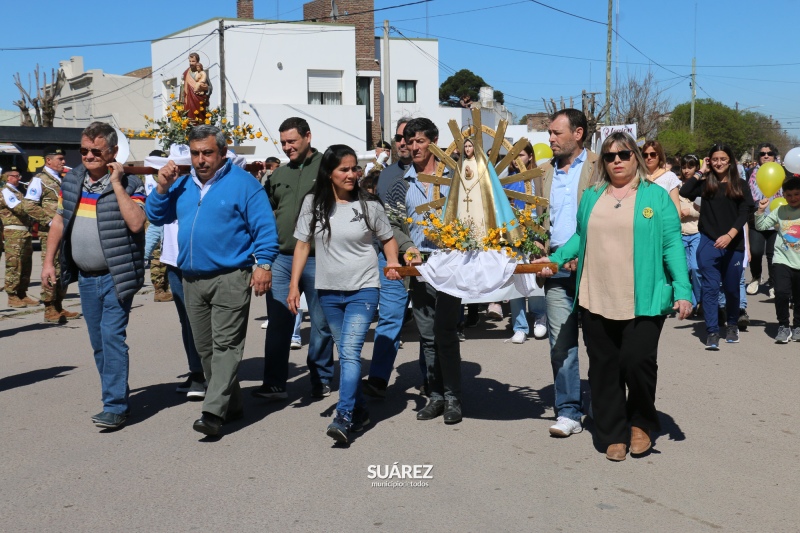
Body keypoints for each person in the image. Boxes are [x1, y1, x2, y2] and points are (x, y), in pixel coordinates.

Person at [535, 131, 692, 461]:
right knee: (604, 368)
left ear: (635, 156)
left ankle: (641, 424)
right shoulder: (592, 195)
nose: (617, 160)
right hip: (597, 294)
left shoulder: (656, 197)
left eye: (623, 154)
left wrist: (683, 289)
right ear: (603, 162)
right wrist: (557, 258)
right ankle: (612, 431)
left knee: (638, 363)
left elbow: (672, 245)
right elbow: (580, 235)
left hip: (643, 297)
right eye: (610, 156)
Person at [146, 125, 279, 437]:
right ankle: (231, 405)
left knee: (226, 346)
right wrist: (162, 188)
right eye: (195, 153)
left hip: (231, 277)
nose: (201, 159)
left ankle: (212, 412)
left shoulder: (244, 184)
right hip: (192, 278)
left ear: (222, 153)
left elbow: (265, 229)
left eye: (207, 153)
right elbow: (156, 216)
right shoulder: (183, 184)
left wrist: (265, 264)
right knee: (205, 349)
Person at [289, 144, 402, 443]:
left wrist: (392, 262)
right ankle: (361, 410)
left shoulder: (369, 205)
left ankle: (344, 415)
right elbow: (302, 245)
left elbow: (387, 239)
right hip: (327, 291)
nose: (352, 174)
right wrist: (293, 286)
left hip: (363, 289)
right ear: (329, 172)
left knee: (350, 354)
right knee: (346, 352)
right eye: (344, 169)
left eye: (354, 168)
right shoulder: (313, 203)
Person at [41, 122, 147, 430]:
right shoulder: (72, 180)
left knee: (112, 337)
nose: (87, 156)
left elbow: (137, 223)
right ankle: (117, 397)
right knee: (99, 342)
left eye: (95, 151)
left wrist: (116, 183)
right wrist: (48, 263)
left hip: (117, 275)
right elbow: (59, 222)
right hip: (85, 278)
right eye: (83, 150)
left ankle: (114, 405)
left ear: (112, 152)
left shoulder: (130, 184)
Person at [387, 117, 464, 423]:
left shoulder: (455, 177)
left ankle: (453, 397)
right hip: (417, 267)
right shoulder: (399, 183)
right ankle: (434, 396)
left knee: (446, 332)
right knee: (427, 335)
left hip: (448, 262)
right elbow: (392, 223)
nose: (413, 146)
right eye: (409, 141)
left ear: (433, 142)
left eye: (419, 141)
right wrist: (407, 247)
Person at [255, 117, 335, 400]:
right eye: (284, 142)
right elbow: (268, 212)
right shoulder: (278, 175)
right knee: (279, 321)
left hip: (319, 257)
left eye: (292, 141)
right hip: (282, 258)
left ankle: (321, 377)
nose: (287, 147)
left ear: (308, 137)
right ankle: (274, 382)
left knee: (321, 322)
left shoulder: (329, 167)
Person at [537, 108, 599, 438]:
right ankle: (569, 411)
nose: (550, 139)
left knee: (600, 343)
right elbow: (534, 221)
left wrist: (582, 254)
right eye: (549, 133)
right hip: (555, 270)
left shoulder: (599, 167)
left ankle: (605, 407)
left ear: (577, 134)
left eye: (556, 133)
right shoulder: (542, 173)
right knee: (561, 345)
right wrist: (539, 251)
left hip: (593, 270)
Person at [680, 144, 755, 349]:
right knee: (711, 288)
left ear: (729, 161)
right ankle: (712, 330)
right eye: (714, 159)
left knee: (732, 289)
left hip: (733, 244)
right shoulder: (706, 183)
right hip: (709, 241)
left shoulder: (739, 183)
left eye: (723, 159)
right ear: (709, 161)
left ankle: (731, 325)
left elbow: (744, 212)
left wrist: (730, 235)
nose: (719, 163)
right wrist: (700, 171)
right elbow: (685, 190)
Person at [362, 118, 416, 398]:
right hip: (392, 256)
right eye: (398, 137)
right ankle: (380, 377)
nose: (403, 142)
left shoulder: (438, 172)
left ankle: (438, 382)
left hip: (430, 256)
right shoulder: (384, 175)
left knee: (435, 325)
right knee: (391, 316)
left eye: (409, 137)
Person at [24, 147, 81, 322]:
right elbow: (29, 205)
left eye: (63, 159)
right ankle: (49, 308)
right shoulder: (40, 180)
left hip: (65, 231)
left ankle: (58, 305)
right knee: (52, 268)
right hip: (50, 232)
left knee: (63, 267)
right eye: (60, 159)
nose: (63, 162)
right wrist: (50, 221)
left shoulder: (60, 178)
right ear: (48, 161)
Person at [504, 142, 547, 343]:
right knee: (516, 279)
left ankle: (539, 318)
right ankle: (519, 325)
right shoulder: (505, 179)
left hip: (533, 234)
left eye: (520, 154)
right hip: (511, 235)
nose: (515, 159)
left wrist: (541, 237)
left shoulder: (538, 177)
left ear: (530, 156)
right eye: (512, 155)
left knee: (534, 274)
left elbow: (543, 208)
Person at [755, 176, 800, 343]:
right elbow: (761, 226)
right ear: (783, 195)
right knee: (781, 292)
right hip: (783, 259)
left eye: (797, 194)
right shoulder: (780, 211)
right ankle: (783, 325)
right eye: (789, 195)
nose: (793, 198)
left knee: (798, 297)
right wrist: (760, 211)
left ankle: (798, 326)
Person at [2, 167, 50, 309]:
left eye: (19, 175)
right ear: (7, 177)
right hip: (14, 233)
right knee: (14, 264)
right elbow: (19, 208)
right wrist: (31, 204)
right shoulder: (6, 191)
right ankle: (12, 295)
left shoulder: (18, 192)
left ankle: (22, 293)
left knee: (26, 265)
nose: (18, 178)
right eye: (15, 176)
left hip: (25, 232)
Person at [746, 142, 784, 297]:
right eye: (762, 154)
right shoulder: (750, 173)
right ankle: (756, 276)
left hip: (776, 218)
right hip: (756, 217)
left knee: (773, 254)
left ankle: (774, 284)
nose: (766, 156)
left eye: (769, 153)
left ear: (774, 156)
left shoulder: (783, 172)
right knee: (755, 251)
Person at [678, 155, 703, 312]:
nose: (686, 170)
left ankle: (701, 300)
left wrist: (690, 211)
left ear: (696, 168)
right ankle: (692, 303)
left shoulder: (700, 186)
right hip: (680, 233)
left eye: (690, 167)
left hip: (696, 233)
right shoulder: (676, 185)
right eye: (684, 167)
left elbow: (706, 209)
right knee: (684, 270)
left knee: (696, 268)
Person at [642, 140, 681, 214]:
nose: (649, 157)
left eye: (652, 154)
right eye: (645, 155)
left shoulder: (670, 176)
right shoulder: (638, 176)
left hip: (663, 220)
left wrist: (676, 224)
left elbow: (676, 205)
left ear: (659, 155)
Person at [181, 53, 209, 123]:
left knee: (199, 120)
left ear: (197, 62)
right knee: (189, 120)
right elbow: (182, 88)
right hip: (188, 101)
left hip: (199, 100)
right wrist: (181, 101)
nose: (191, 63)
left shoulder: (202, 73)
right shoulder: (186, 73)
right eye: (190, 61)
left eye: (193, 61)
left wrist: (206, 88)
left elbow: (209, 87)